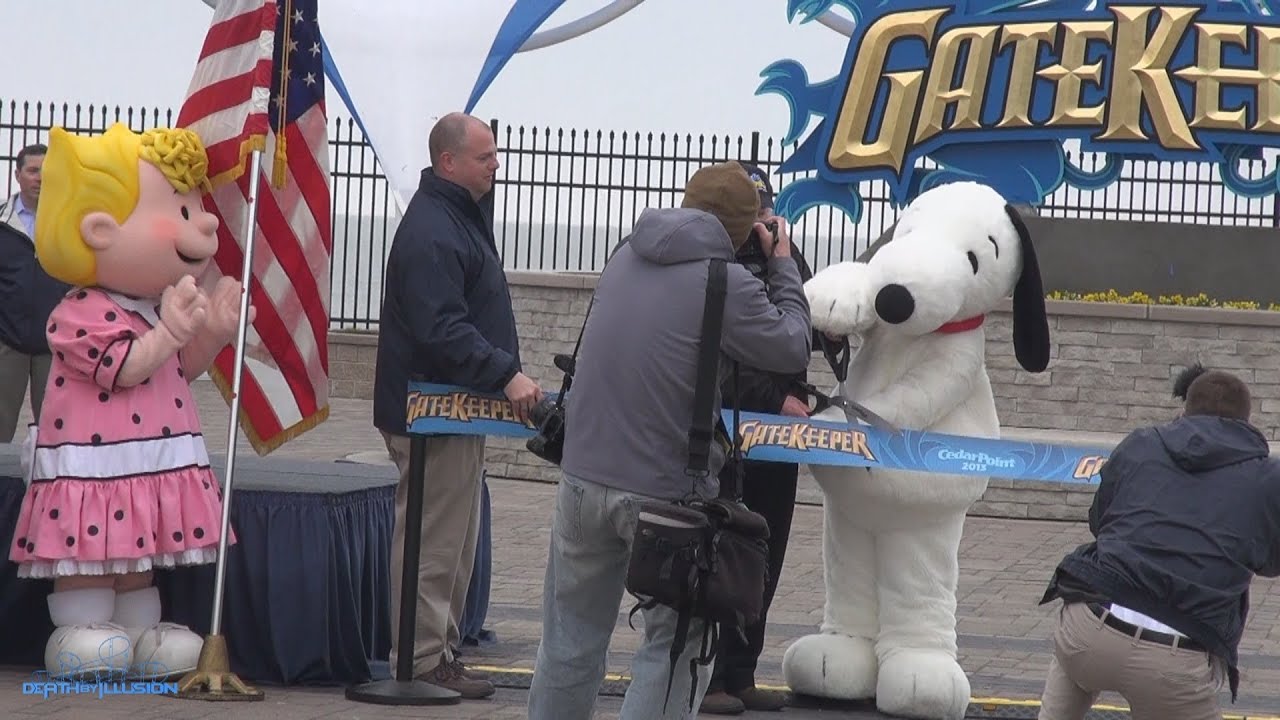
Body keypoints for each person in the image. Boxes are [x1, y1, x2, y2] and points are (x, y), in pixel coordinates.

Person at [527, 161, 813, 720]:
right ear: (743, 226)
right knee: (675, 649)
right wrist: (781, 263)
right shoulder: (725, 281)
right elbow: (792, 345)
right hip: (667, 496)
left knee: (569, 640)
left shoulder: (625, 254)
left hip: (583, 477)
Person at [9, 123, 244, 679]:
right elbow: (127, 368)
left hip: (148, 463)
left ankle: (139, 633)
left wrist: (212, 333)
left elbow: (181, 369)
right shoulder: (80, 312)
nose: (203, 223)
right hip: (99, 465)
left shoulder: (146, 307)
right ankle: (82, 628)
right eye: (180, 212)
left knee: (138, 558)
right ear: (98, 229)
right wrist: (170, 330)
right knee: (95, 555)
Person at [373, 112, 541, 700]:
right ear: (449, 162)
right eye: (485, 156)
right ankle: (419, 660)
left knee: (456, 541)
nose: (496, 164)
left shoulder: (457, 218)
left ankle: (440, 654)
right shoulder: (433, 231)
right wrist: (506, 373)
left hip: (454, 410)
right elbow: (442, 330)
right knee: (432, 541)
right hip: (429, 415)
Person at [1035, 364, 1280, 720]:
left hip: (1089, 632)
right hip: (1175, 659)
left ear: (1184, 410)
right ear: (1247, 423)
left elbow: (1099, 522)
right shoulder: (1267, 477)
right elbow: (1271, 561)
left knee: (1078, 625)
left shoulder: (1141, 442)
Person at [699, 162, 820, 714]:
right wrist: (777, 399)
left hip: (778, 442)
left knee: (768, 549)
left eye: (766, 209)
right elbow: (719, 360)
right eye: (752, 211)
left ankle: (743, 671)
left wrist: (786, 265)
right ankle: (713, 678)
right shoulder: (713, 266)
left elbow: (801, 329)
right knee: (725, 553)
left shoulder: (781, 257)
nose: (761, 221)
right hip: (729, 432)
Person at [0, 142, 71, 441]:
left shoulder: (67, 223)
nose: (40, 178)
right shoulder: (2, 224)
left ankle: (51, 486)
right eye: (32, 171)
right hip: (7, 343)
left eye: (46, 171)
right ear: (17, 175)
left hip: (54, 345)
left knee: (55, 431)